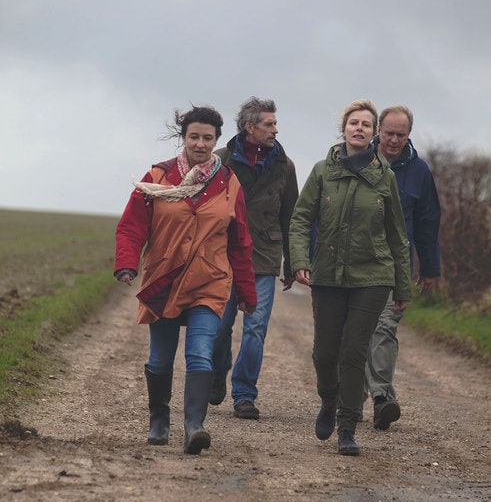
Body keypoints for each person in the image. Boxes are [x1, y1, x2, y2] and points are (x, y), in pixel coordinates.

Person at [114, 105, 257, 455]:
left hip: (210, 280)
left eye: (208, 138)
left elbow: (240, 241)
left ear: (216, 141)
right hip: (165, 277)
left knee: (200, 352)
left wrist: (247, 292)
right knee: (161, 357)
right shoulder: (159, 176)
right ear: (184, 138)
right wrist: (127, 264)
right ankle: (159, 420)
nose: (201, 143)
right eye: (194, 136)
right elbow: (132, 225)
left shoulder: (229, 183)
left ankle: (195, 425)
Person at [289, 99, 411, 456]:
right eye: (354, 123)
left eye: (366, 125)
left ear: (373, 134)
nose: (359, 128)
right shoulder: (321, 172)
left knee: (354, 352)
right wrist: (299, 258)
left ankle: (346, 427)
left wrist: (401, 285)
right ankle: (329, 400)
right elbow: (300, 220)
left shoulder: (384, 177)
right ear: (344, 129)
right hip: (327, 275)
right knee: (325, 353)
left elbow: (396, 235)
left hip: (372, 277)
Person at [209, 96, 299, 420]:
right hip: (224, 257)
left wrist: (292, 263)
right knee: (219, 329)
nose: (276, 129)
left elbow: (291, 217)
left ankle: (245, 394)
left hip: (263, 256)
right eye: (269, 124)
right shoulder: (220, 161)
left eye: (275, 123)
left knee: (256, 327)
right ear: (250, 127)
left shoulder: (284, 167)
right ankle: (218, 372)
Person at [364, 105, 441, 430]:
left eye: (401, 134)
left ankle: (382, 399)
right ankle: (348, 399)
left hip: (396, 266)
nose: (394, 140)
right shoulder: (357, 160)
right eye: (389, 133)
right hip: (357, 262)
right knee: (356, 331)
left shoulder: (419, 172)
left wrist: (430, 269)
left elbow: (427, 223)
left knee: (383, 328)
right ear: (378, 130)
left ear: (409, 135)